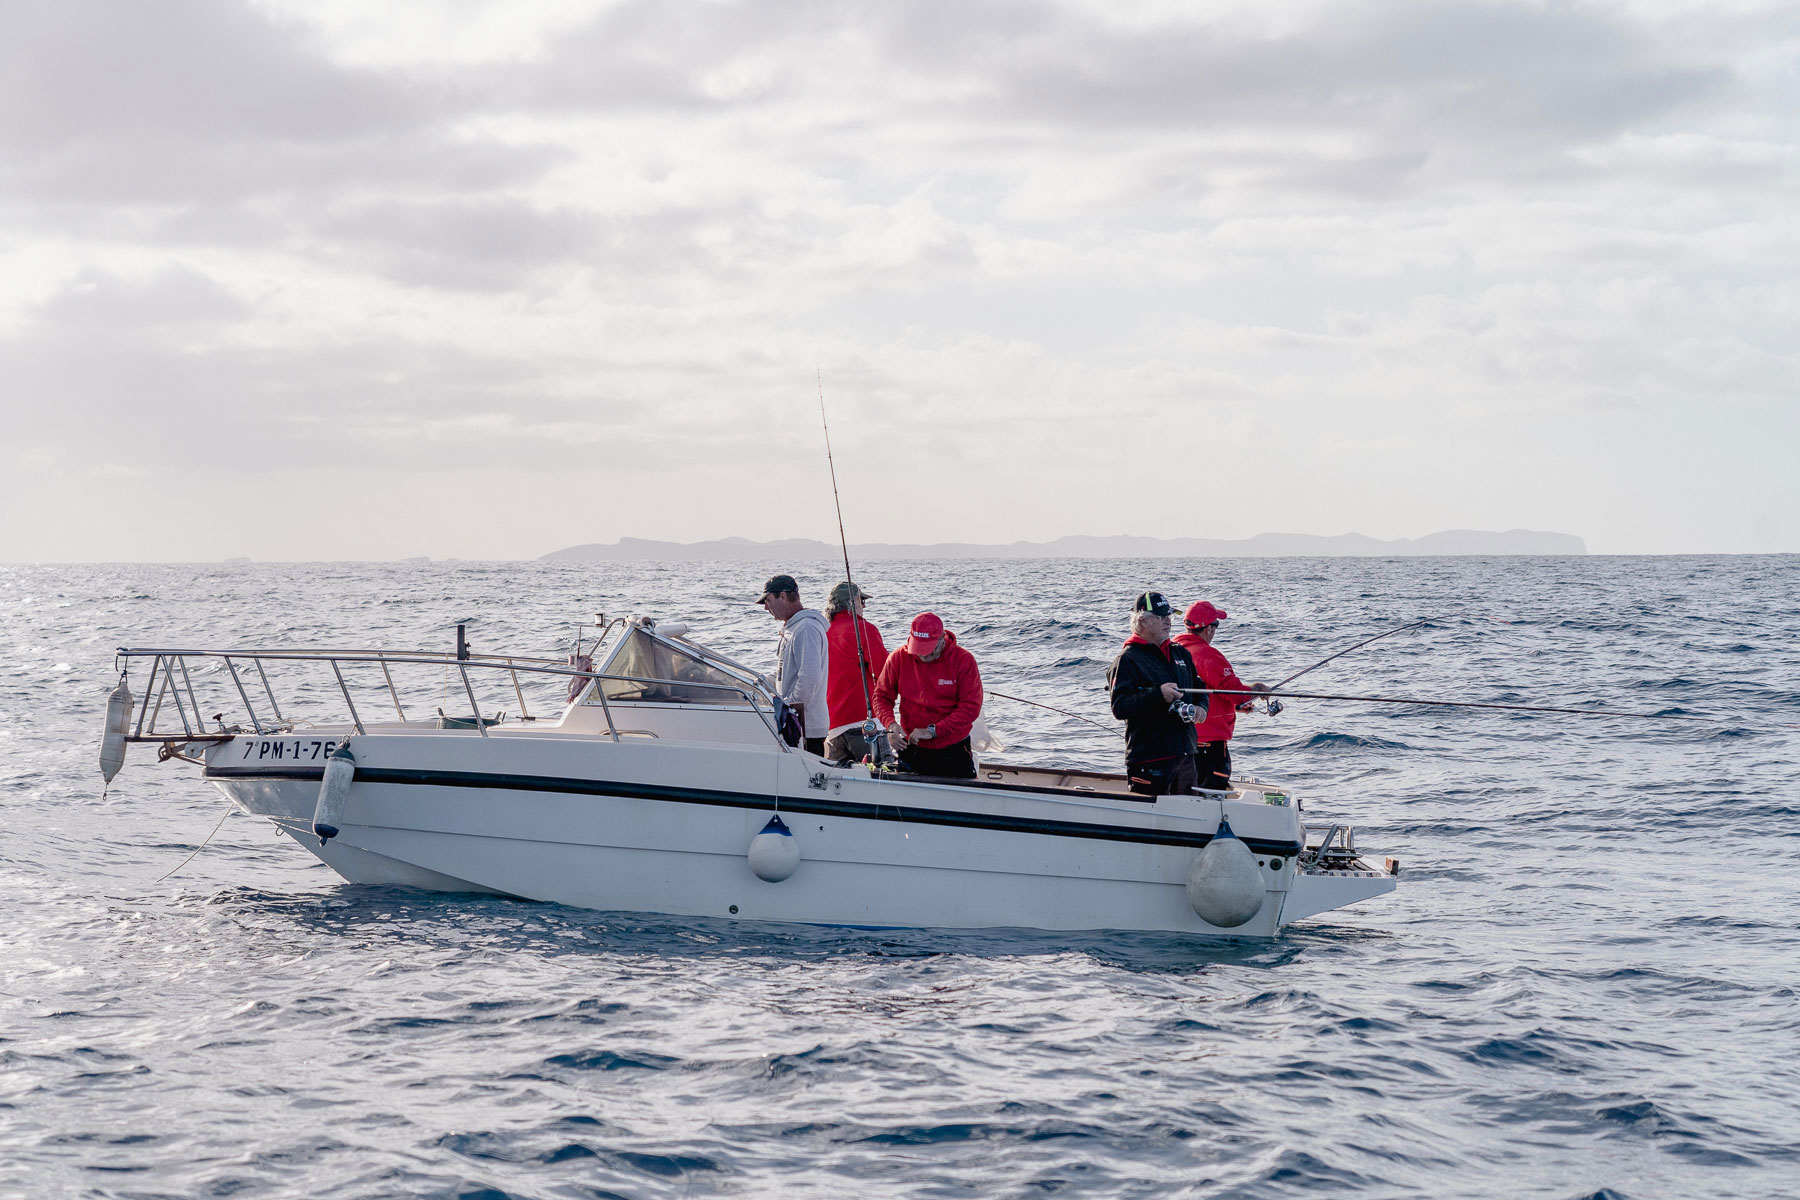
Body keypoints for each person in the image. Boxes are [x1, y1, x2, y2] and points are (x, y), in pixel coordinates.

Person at [1108, 591, 1202, 797]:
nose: (1168, 621)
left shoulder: (1180, 653)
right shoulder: (1127, 659)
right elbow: (1120, 706)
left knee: (1191, 817)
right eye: (1160, 617)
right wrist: (1158, 695)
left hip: (1185, 754)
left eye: (1169, 616)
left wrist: (1201, 707)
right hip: (1149, 758)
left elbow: (1199, 687)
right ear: (1142, 622)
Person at [872, 612, 982, 779]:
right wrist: (891, 726)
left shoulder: (964, 660)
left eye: (929, 651)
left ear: (942, 640)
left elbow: (971, 708)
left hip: (953, 748)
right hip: (912, 747)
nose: (923, 655)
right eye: (919, 650)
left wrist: (933, 731)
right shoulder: (898, 658)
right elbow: (881, 696)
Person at [1173, 600, 1269, 792]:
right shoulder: (1208, 655)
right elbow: (1234, 692)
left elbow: (1201, 691)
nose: (1215, 630)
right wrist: (1257, 689)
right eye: (1215, 625)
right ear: (1207, 629)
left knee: (1184, 793)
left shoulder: (1174, 649)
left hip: (1180, 741)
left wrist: (1233, 707)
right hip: (1208, 744)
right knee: (1211, 794)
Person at [757, 574, 829, 755]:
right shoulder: (793, 628)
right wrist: (757, 682)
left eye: (768, 600)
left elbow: (809, 678)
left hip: (805, 728)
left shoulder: (805, 628)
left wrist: (790, 710)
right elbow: (786, 673)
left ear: (782, 596)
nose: (766, 607)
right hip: (797, 725)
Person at [822, 581, 889, 764]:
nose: (865, 606)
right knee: (882, 778)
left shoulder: (823, 632)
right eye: (862, 601)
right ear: (852, 602)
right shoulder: (865, 629)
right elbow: (883, 673)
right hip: (864, 724)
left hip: (832, 727)